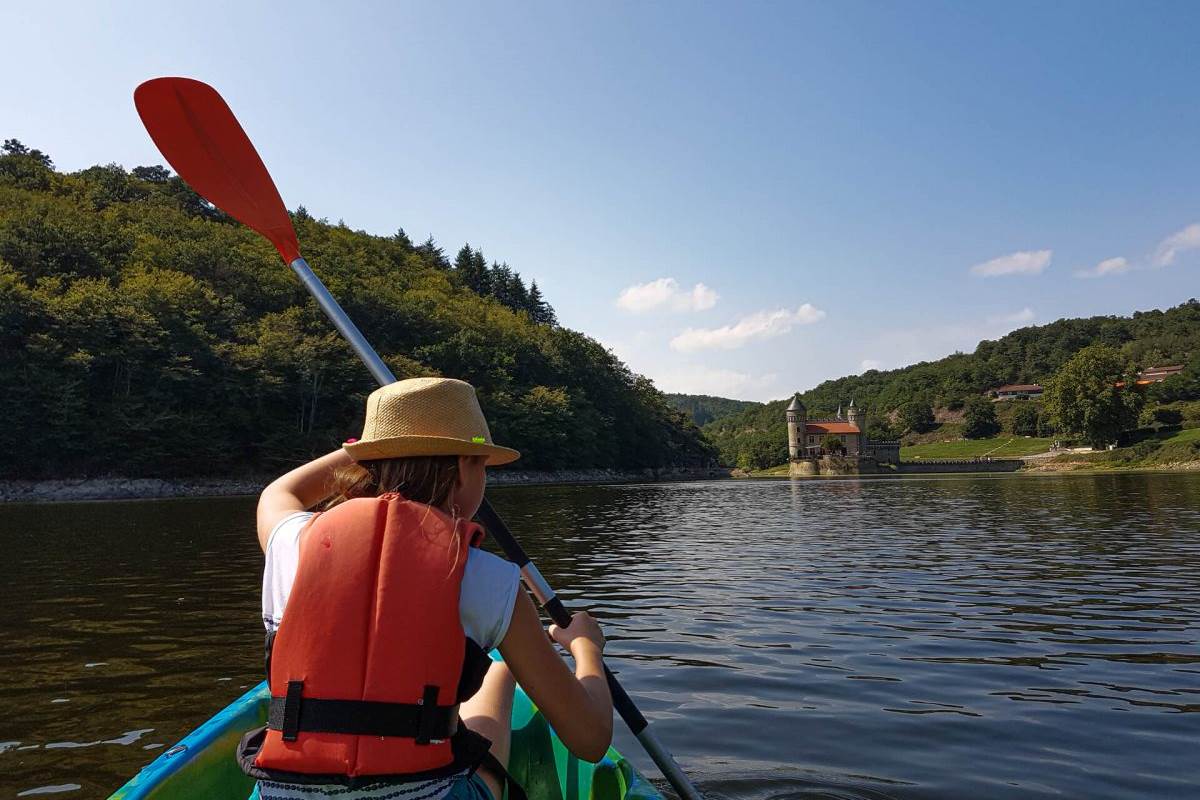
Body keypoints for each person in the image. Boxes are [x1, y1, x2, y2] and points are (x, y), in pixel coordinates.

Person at [240, 377, 612, 800]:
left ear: (368, 463)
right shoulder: (490, 579)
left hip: (284, 795)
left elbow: (280, 491)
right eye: (481, 465)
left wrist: (373, 445)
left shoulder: (291, 544)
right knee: (502, 676)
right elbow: (590, 739)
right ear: (464, 468)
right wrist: (585, 648)